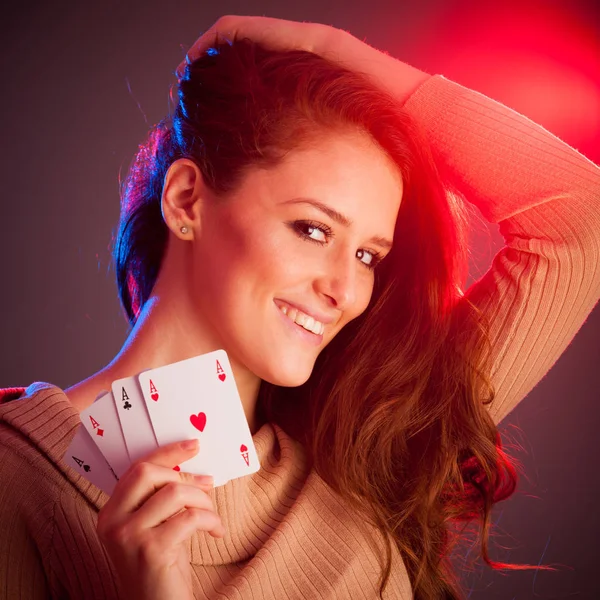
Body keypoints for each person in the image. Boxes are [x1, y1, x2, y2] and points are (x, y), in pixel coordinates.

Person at [0, 14, 598, 600]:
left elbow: (580, 225)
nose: (343, 290)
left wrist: (329, 47)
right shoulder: (18, 480)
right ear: (186, 200)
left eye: (368, 255)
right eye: (312, 230)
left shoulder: (367, 443)